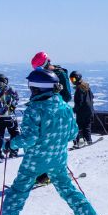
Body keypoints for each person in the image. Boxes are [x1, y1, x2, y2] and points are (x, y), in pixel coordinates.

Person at [0, 68, 108, 215]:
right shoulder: (64, 106)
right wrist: (55, 141)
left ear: (36, 89)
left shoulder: (35, 109)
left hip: (35, 161)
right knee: (67, 188)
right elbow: (72, 133)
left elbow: (30, 138)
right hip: (58, 158)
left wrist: (11, 144)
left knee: (17, 193)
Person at [30, 51, 72, 185]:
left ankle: (53, 173)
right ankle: (42, 175)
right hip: (45, 111)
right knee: (43, 144)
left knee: (53, 144)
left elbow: (67, 96)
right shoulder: (43, 75)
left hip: (57, 112)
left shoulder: (60, 74)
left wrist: (55, 96)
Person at [70, 71, 95, 147]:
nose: (72, 81)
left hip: (82, 112)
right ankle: (88, 141)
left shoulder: (79, 89)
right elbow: (92, 97)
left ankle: (79, 142)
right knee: (86, 127)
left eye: (73, 79)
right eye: (71, 79)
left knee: (78, 127)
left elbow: (79, 102)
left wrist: (74, 110)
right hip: (89, 110)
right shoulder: (86, 86)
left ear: (77, 78)